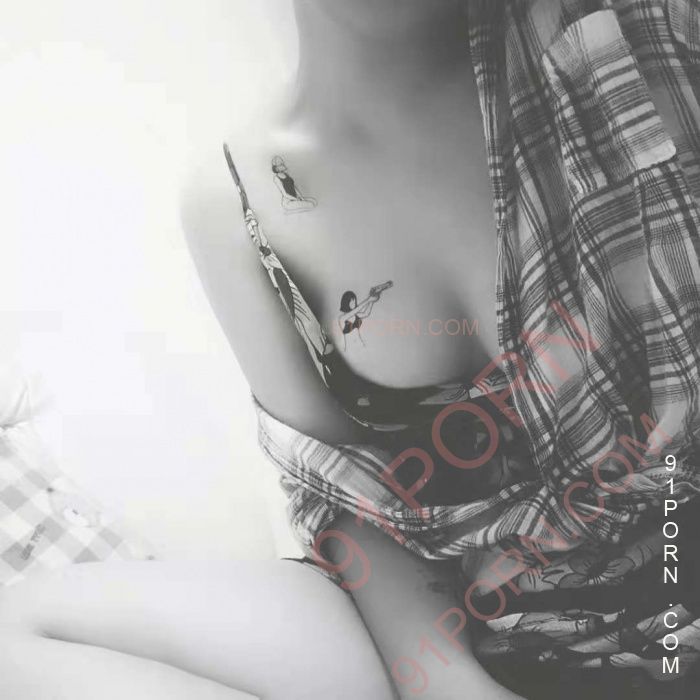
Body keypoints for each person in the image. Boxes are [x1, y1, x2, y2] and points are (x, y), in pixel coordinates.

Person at [3, 2, 700, 699]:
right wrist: (449, 684)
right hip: (466, 627)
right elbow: (344, 502)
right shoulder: (236, 207)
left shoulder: (638, 38)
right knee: (20, 635)